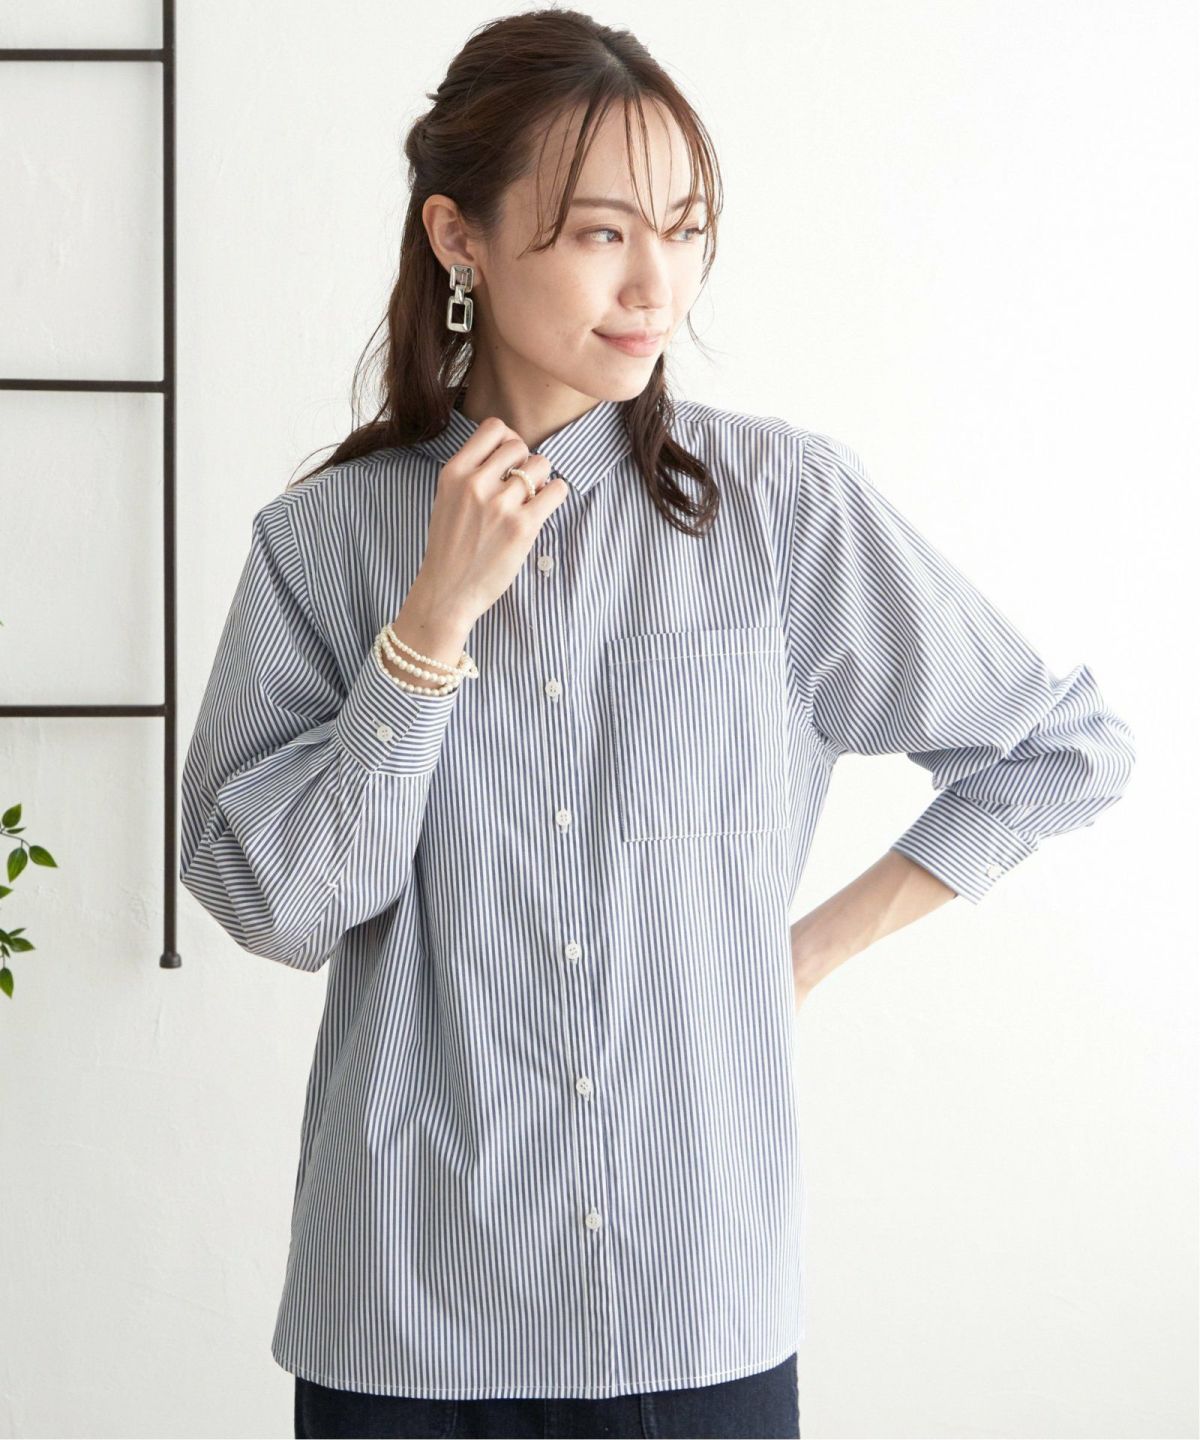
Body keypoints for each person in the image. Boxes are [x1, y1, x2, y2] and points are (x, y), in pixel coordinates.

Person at [178, 9, 1136, 1439]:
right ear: (459, 237)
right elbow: (279, 907)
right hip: (400, 1316)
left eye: (684, 232)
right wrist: (428, 632)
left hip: (690, 1313)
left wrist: (798, 954)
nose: (657, 285)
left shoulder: (784, 509)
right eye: (601, 234)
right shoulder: (323, 542)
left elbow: (1062, 750)